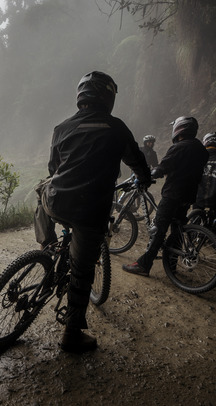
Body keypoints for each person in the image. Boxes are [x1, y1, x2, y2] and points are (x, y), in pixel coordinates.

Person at [36, 71, 151, 353]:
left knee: (41, 189)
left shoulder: (61, 128)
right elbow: (137, 162)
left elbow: (54, 169)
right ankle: (72, 334)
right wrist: (144, 177)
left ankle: (46, 243)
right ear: (108, 97)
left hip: (58, 202)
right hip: (90, 212)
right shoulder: (117, 128)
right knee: (82, 272)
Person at [122, 116, 208, 277]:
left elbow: (163, 167)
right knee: (176, 229)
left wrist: (148, 176)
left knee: (158, 229)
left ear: (179, 129)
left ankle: (143, 265)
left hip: (173, 193)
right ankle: (172, 264)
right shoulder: (201, 149)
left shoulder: (179, 147)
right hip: (189, 195)